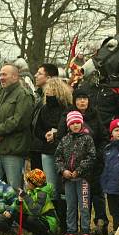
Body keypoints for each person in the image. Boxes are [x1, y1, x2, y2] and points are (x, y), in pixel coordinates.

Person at [0, 64, 33, 190]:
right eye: (0, 75)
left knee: (13, 187)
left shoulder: (23, 95)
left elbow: (19, 120)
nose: (1, 78)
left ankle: (13, 211)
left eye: (4, 74)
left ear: (15, 77)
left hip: (13, 150)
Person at [56, 111, 96, 235]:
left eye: (78, 123)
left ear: (82, 123)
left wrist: (79, 170)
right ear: (68, 125)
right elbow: (58, 157)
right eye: (72, 123)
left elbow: (91, 157)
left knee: (84, 206)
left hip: (83, 179)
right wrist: (63, 171)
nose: (75, 125)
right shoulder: (64, 140)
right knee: (71, 206)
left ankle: (85, 231)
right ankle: (71, 232)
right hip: (68, 180)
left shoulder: (87, 139)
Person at [33, 77, 71, 207]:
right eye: (47, 89)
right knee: (51, 185)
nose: (48, 91)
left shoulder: (67, 108)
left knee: (64, 186)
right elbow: (37, 129)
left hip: (63, 150)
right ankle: (53, 215)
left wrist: (55, 135)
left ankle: (65, 219)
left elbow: (70, 128)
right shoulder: (44, 108)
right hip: (47, 150)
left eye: (52, 89)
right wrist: (46, 135)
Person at [7, 169, 59, 235]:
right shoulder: (30, 191)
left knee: (31, 219)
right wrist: (18, 202)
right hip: (38, 218)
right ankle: (37, 234)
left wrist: (25, 196)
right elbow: (25, 209)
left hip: (47, 221)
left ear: (32, 183)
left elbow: (35, 211)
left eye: (27, 181)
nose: (26, 183)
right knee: (16, 214)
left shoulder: (42, 194)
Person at [100, 119, 119, 234]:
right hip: (111, 187)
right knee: (114, 211)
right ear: (111, 132)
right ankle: (116, 230)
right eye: (116, 130)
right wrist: (104, 183)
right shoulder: (107, 149)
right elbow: (105, 167)